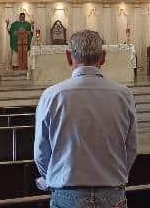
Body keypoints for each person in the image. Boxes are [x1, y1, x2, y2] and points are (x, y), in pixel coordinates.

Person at [34, 30, 138, 208]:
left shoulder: (52, 96)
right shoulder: (123, 95)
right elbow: (131, 148)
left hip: (67, 192)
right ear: (103, 58)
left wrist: (54, 175)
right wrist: (111, 177)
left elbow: (41, 153)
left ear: (68, 57)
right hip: (112, 192)